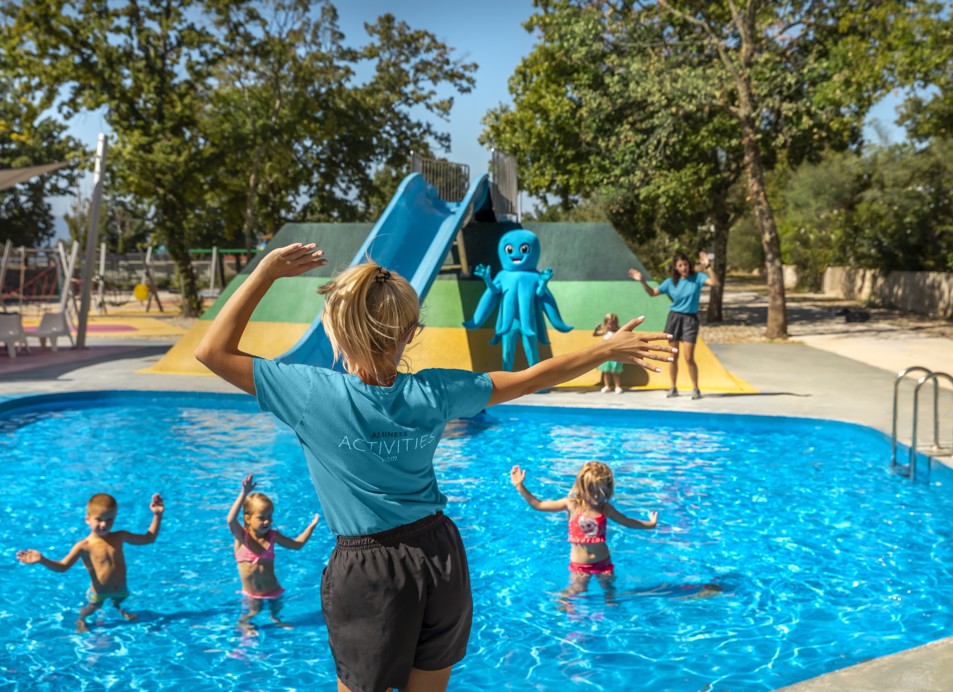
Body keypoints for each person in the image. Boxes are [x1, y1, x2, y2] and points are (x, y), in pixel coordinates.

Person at [193, 242, 675, 692]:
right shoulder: (437, 391)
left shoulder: (309, 393)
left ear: (335, 330)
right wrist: (605, 349)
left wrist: (266, 271)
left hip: (368, 567)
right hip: (439, 554)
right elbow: (530, 378)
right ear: (410, 332)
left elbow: (211, 351)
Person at [510, 462, 658, 605]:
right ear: (581, 486)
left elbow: (627, 521)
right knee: (578, 589)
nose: (596, 496)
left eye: (602, 492)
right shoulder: (571, 505)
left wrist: (650, 524)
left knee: (609, 588)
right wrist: (520, 486)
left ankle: (610, 608)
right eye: (592, 491)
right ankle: (561, 606)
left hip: (603, 561)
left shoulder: (605, 508)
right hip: (580, 565)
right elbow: (539, 505)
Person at [16, 492, 164, 632]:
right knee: (92, 608)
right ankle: (80, 620)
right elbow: (63, 567)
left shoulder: (120, 536)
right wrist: (42, 559)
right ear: (88, 519)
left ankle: (119, 609)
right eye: (99, 519)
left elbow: (149, 539)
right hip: (98, 593)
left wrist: (157, 515)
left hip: (121, 589)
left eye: (109, 520)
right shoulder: (84, 546)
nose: (104, 525)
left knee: (119, 602)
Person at [227, 473, 320, 632]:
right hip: (252, 594)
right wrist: (244, 493)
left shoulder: (273, 537)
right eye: (262, 517)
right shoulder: (242, 538)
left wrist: (311, 526)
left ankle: (276, 620)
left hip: (273, 590)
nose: (267, 521)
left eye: (270, 517)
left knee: (276, 612)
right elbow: (230, 520)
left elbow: (297, 545)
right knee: (251, 613)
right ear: (248, 519)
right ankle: (244, 627)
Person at [628, 251, 719, 399]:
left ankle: (695, 388)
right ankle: (673, 387)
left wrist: (708, 266)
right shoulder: (670, 282)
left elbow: (715, 283)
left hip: (691, 319)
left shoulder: (697, 278)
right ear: (676, 267)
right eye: (680, 265)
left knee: (689, 357)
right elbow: (652, 293)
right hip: (674, 318)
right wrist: (641, 280)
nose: (684, 267)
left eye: (686, 264)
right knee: (673, 356)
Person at [592, 313, 623, 393]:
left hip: (616, 355)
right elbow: (594, 335)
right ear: (606, 323)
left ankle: (617, 386)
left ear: (616, 323)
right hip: (606, 355)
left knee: (615, 371)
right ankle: (607, 386)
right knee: (606, 371)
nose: (611, 326)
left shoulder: (618, 332)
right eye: (609, 324)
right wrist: (596, 329)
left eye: (613, 323)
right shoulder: (605, 331)